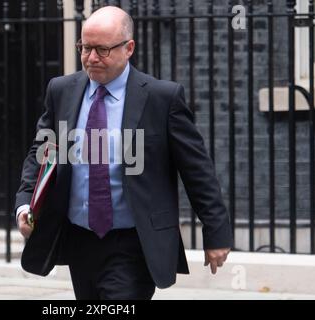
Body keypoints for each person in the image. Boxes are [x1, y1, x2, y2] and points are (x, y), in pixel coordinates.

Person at [15, 6, 232, 300]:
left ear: (128, 48)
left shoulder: (161, 98)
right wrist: (26, 203)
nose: (91, 58)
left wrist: (215, 231)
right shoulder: (62, 90)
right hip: (79, 239)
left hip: (134, 242)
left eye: (102, 50)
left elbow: (197, 170)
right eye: (85, 47)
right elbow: (42, 152)